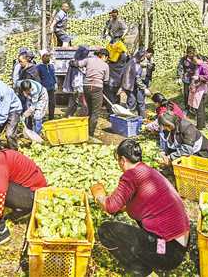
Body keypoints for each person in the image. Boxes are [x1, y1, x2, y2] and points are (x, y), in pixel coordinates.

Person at [90, 139, 190, 276]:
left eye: (118, 160)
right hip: (178, 247)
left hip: (166, 252)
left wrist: (99, 195)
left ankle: (143, 271)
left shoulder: (131, 175)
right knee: (140, 227)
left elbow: (110, 207)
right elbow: (137, 205)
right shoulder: (148, 171)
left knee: (106, 230)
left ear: (123, 160)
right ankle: (152, 260)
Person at [72, 48, 110, 137]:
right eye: (107, 58)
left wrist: (72, 63)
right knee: (95, 112)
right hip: (97, 88)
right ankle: (90, 134)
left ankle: (87, 130)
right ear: (104, 56)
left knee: (90, 110)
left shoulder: (88, 60)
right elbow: (106, 80)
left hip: (87, 87)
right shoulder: (105, 65)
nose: (107, 60)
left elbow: (77, 64)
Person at [120, 49, 151, 118]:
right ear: (141, 57)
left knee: (132, 101)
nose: (144, 59)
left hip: (127, 84)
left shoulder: (132, 60)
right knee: (132, 102)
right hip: (129, 85)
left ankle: (131, 116)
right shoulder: (135, 64)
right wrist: (144, 88)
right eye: (144, 57)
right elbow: (137, 79)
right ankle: (130, 118)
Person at [63, 46, 89, 118]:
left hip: (77, 86)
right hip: (77, 87)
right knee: (80, 103)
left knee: (74, 103)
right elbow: (76, 76)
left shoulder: (77, 62)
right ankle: (73, 116)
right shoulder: (74, 63)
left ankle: (68, 116)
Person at [188, 55, 208, 129]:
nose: (194, 62)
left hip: (201, 90)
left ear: (200, 59)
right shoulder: (198, 65)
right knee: (199, 108)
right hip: (198, 89)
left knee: (200, 109)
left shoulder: (204, 66)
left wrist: (199, 77)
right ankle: (201, 125)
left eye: (195, 61)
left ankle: (200, 127)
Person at [36, 49, 57, 120]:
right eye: (46, 56)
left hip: (51, 88)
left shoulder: (51, 66)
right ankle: (40, 119)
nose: (48, 58)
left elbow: (53, 76)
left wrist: (55, 84)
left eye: (48, 56)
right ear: (42, 58)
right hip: (43, 89)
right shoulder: (39, 67)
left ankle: (51, 118)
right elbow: (38, 79)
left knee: (52, 104)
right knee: (43, 105)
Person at [176, 46, 197, 113]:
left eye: (192, 53)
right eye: (190, 53)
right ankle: (187, 107)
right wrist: (179, 77)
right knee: (186, 93)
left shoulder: (196, 59)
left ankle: (194, 107)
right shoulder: (183, 59)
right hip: (186, 78)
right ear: (187, 53)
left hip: (194, 78)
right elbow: (180, 68)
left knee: (194, 93)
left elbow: (199, 67)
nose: (191, 54)